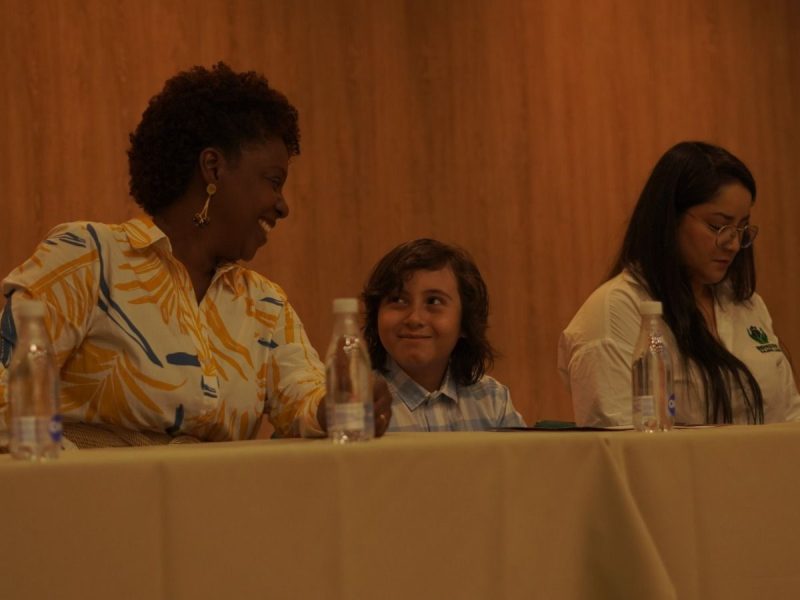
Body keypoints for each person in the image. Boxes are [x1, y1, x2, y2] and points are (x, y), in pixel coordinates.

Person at [0, 62, 391, 448]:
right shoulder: (90, 256)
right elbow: (8, 393)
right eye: (274, 182)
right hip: (87, 489)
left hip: (216, 492)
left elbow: (304, 398)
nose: (283, 205)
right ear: (213, 168)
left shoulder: (265, 304)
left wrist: (340, 403)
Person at [558, 141, 800, 427]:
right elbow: (621, 442)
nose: (734, 244)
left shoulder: (746, 303)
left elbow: (790, 418)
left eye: (741, 228)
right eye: (718, 226)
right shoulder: (616, 309)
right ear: (669, 219)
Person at [362, 238, 525, 431]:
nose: (414, 319)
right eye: (398, 299)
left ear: (465, 322)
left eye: (434, 301)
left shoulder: (492, 400)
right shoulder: (356, 403)